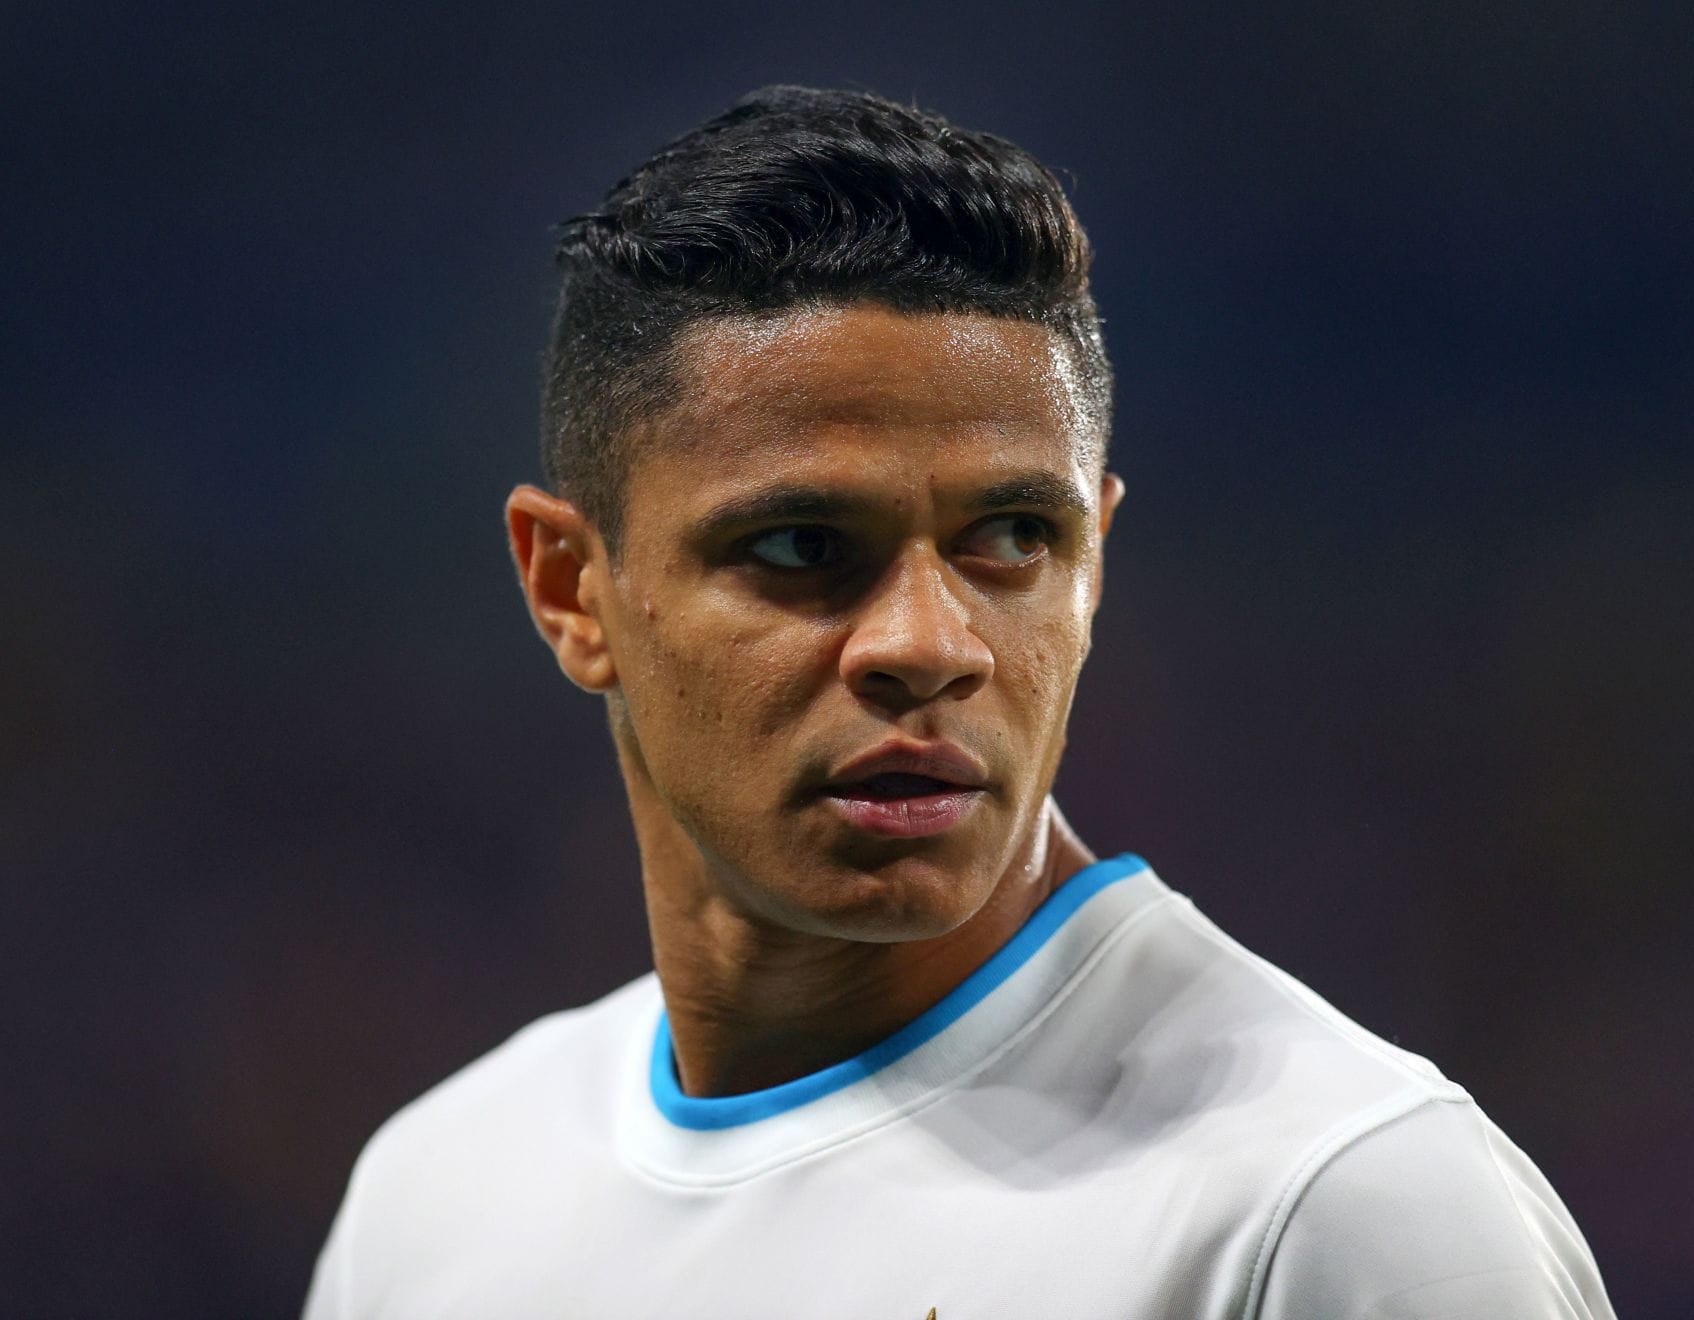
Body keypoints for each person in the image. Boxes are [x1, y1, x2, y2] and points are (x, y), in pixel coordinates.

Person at [305, 85, 1615, 1319]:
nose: (930, 645)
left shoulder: (1336, 1212)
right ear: (571, 591)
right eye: (803, 547)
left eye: (1013, 539)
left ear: (1095, 563)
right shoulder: (436, 1204)